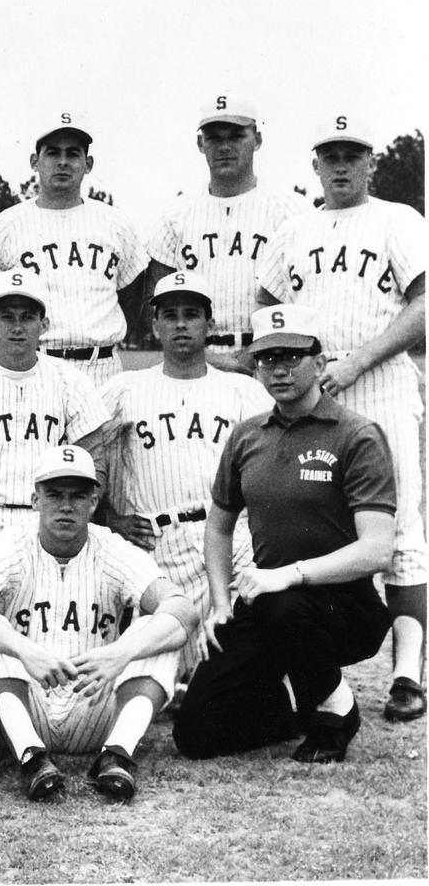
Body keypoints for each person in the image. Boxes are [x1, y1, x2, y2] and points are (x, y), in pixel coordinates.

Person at [258, 115, 428, 723]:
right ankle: (313, 669)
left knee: (399, 525)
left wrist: (356, 362)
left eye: (352, 154)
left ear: (370, 162)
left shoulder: (397, 220)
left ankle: (407, 673)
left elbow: (425, 304)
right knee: (313, 524)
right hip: (313, 391)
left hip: (378, 384)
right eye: (329, 154)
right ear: (314, 163)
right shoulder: (294, 229)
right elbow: (268, 307)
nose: (340, 165)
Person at [173, 305, 395, 762]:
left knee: (281, 601)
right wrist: (218, 604)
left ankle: (337, 710)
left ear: (321, 362)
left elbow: (377, 549)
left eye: (291, 357)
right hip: (269, 601)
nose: (278, 369)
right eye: (267, 358)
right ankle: (298, 703)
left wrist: (290, 574)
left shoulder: (357, 435)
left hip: (343, 606)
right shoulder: (247, 435)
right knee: (195, 733)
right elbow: (218, 526)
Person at [0, 445, 196, 803]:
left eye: (78, 495)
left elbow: (181, 608)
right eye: (54, 494)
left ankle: (116, 756)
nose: (66, 505)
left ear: (94, 503)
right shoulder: (9, 545)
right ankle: (32, 759)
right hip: (20, 706)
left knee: (153, 631)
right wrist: (23, 649)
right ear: (35, 500)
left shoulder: (112, 548)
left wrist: (121, 654)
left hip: (92, 704)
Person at [99, 271, 271, 676]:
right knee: (148, 673)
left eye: (192, 314)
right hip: (152, 545)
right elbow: (86, 460)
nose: (180, 324)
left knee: (229, 668)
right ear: (154, 325)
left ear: (209, 324)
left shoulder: (243, 390)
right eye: (170, 314)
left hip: (230, 540)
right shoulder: (123, 388)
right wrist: (110, 517)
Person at [0, 270, 110, 552]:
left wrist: (59, 526)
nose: (17, 327)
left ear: (44, 324)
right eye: (7, 317)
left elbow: (95, 470)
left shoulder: (73, 383)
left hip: (51, 518)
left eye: (27, 317)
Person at [0, 114, 146, 386]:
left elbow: (131, 297)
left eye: (73, 154)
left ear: (88, 164)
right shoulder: (2, 227)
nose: (62, 162)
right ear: (35, 162)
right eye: (52, 153)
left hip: (101, 367)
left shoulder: (117, 224)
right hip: (33, 367)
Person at [145, 95, 306, 372]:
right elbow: (156, 303)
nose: (225, 147)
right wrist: (205, 358)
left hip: (273, 356)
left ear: (257, 140)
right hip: (196, 360)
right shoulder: (174, 218)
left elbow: (305, 297)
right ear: (200, 144)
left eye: (236, 136)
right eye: (214, 138)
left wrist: (256, 351)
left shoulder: (292, 212)